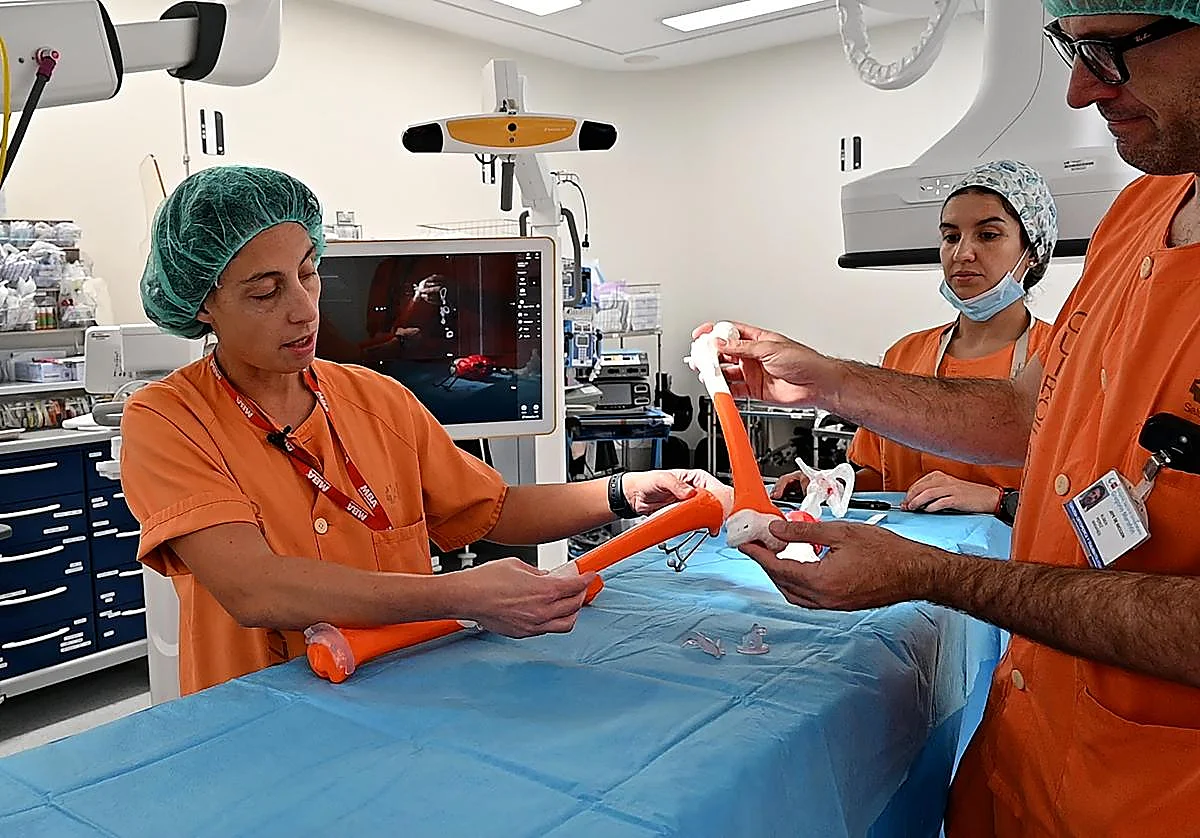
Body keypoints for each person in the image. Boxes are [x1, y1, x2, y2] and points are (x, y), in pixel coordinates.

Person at [697, 4, 1200, 834]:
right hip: (1024, 761)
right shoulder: (1138, 215)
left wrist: (938, 575)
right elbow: (1027, 412)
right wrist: (822, 380)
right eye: (1069, 49)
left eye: (1110, 51)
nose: (1079, 89)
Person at [122, 165, 727, 696]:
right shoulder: (168, 420)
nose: (305, 308)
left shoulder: (373, 398)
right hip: (258, 715)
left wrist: (624, 491)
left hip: (411, 690)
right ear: (203, 303)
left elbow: (492, 511)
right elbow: (255, 589)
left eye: (309, 273)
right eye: (265, 290)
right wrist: (459, 595)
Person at [771, 160, 1057, 520]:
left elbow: (1079, 490)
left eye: (987, 235)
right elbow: (880, 474)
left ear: (1032, 252)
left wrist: (1000, 500)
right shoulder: (905, 354)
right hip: (904, 558)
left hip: (1006, 564)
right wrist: (836, 484)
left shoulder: (1059, 355)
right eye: (951, 237)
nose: (962, 253)